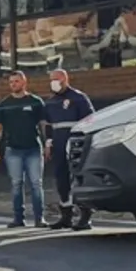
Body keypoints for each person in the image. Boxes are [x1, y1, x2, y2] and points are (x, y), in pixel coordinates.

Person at [0, 71, 49, 228]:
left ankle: (39, 218)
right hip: (13, 149)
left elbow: (43, 125)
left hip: (33, 149)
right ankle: (18, 218)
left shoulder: (35, 101)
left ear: (24, 82)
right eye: (11, 82)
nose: (13, 84)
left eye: (16, 81)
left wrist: (47, 144)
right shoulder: (4, 104)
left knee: (36, 183)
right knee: (17, 184)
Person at [44, 69, 96, 231]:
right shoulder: (51, 101)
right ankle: (66, 215)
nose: (53, 82)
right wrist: (48, 142)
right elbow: (48, 125)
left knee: (78, 178)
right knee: (61, 178)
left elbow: (90, 120)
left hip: (75, 144)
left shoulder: (78, 98)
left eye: (56, 79)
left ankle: (85, 215)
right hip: (58, 145)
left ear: (65, 79)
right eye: (51, 79)